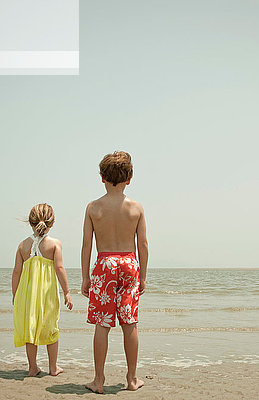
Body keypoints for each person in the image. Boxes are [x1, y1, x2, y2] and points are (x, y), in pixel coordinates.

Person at [81, 151, 148, 393]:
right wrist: (142, 276)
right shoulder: (136, 208)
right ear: (129, 179)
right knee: (129, 323)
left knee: (103, 323)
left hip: (104, 263)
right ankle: (131, 379)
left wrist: (86, 277)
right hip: (129, 262)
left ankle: (99, 380)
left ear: (102, 178)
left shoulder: (93, 208)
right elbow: (143, 245)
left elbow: (87, 245)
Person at [12, 203, 73, 377]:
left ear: (30, 223)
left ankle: (33, 367)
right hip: (47, 293)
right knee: (50, 326)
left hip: (26, 294)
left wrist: (15, 295)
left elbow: (17, 271)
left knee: (30, 327)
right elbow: (60, 268)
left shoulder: (22, 245)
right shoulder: (54, 244)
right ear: (51, 223)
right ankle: (53, 367)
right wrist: (67, 292)